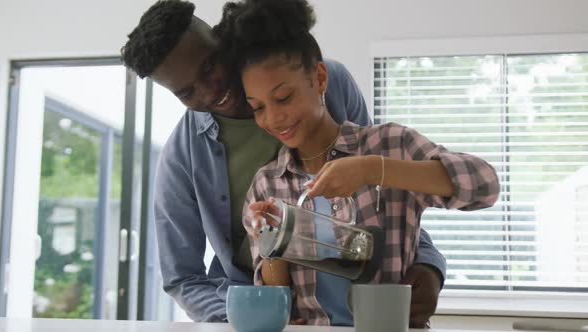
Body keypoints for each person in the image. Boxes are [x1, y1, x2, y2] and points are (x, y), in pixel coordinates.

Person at [121, 0, 448, 326]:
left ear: (222, 40)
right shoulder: (182, 156)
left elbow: (384, 193)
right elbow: (182, 277)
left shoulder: (327, 82)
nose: (210, 91)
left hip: (357, 295)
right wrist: (249, 316)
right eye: (186, 92)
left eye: (210, 66)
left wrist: (428, 263)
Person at [212, 0, 500, 326]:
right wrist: (271, 240)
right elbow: (280, 303)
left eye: (283, 98)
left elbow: (485, 185)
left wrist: (371, 169)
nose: (274, 118)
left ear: (319, 78)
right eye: (258, 107)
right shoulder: (268, 183)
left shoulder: (390, 144)